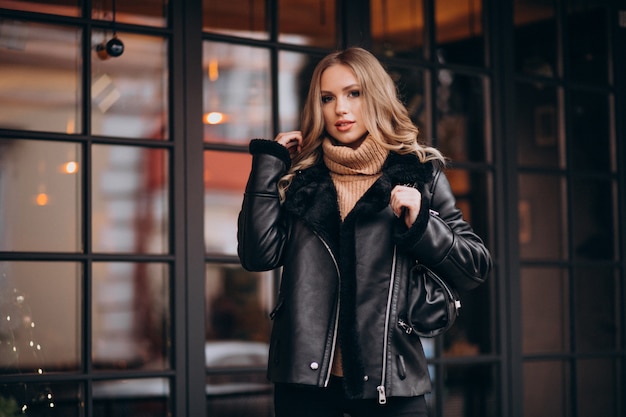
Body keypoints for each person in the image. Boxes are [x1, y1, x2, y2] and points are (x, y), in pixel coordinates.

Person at [237, 47, 492, 417]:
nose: (341, 108)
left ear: (376, 96)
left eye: (353, 93)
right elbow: (257, 255)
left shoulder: (420, 173)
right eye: (328, 98)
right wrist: (268, 166)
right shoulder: (301, 180)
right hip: (305, 387)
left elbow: (475, 267)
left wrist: (423, 222)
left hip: (392, 385)